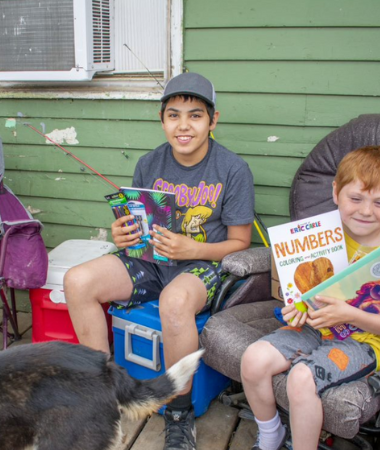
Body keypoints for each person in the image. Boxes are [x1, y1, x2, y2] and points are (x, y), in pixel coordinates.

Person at [65, 72, 255, 450]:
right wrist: (123, 234)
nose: (183, 125)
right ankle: (105, 394)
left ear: (213, 121)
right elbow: (136, 222)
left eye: (195, 115)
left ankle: (179, 411)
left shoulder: (233, 169)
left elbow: (239, 243)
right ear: (162, 118)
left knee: (175, 302)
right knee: (77, 281)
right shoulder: (149, 162)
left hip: (203, 266)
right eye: (174, 114)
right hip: (151, 260)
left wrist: (192, 249)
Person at [240, 146, 380, 450]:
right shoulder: (323, 235)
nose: (366, 211)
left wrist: (349, 314)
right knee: (253, 359)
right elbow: (306, 295)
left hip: (365, 341)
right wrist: (297, 308)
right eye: (355, 199)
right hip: (316, 326)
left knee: (301, 378)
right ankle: (271, 434)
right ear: (336, 192)